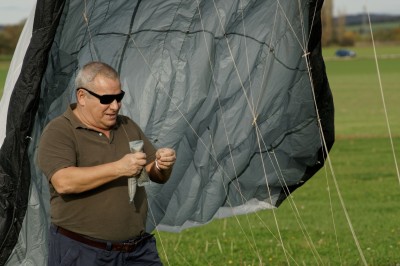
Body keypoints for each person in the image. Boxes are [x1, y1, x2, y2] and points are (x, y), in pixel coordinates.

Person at [37, 61, 176, 265]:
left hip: (137, 251)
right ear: (82, 97)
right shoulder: (60, 131)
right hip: (82, 252)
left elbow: (153, 174)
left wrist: (162, 165)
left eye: (119, 97)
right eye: (107, 99)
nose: (115, 106)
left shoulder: (127, 126)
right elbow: (64, 182)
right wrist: (119, 168)